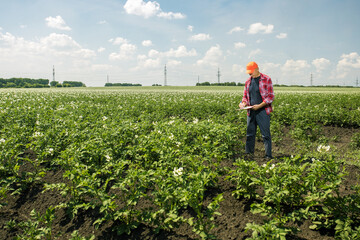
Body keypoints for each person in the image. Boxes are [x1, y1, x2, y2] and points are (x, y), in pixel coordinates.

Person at [239, 61, 274, 159]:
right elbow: (245, 96)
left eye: (251, 71)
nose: (249, 73)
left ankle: (268, 156)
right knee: (250, 134)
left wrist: (259, 106)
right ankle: (249, 154)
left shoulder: (266, 79)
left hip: (263, 111)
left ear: (257, 69)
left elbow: (270, 97)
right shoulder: (248, 82)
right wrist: (243, 103)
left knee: (265, 135)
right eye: (248, 72)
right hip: (251, 111)